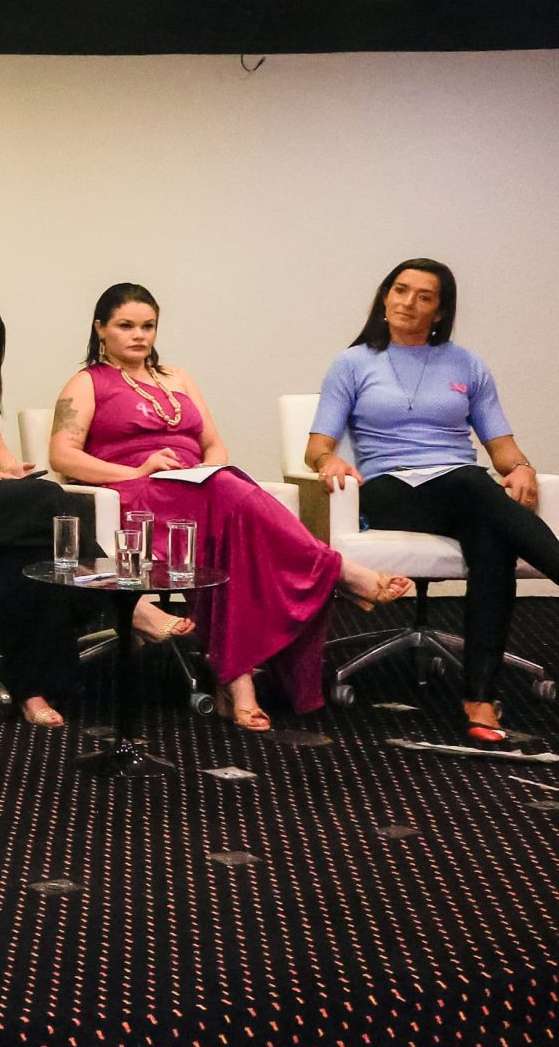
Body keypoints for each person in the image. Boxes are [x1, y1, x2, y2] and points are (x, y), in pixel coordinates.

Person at [47, 283, 413, 730]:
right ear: (101, 329)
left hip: (195, 491)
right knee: (226, 499)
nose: (139, 336)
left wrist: (204, 472)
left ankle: (235, 685)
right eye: (126, 326)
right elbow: (62, 456)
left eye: (148, 326)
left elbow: (214, 445)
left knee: (230, 529)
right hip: (135, 499)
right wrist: (140, 470)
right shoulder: (87, 382)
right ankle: (335, 571)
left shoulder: (176, 377)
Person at [0, 292, 187, 728]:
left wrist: (10, 471)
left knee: (24, 553)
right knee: (46, 501)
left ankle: (32, 690)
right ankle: (124, 603)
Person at [304, 259, 558, 742]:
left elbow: (501, 448)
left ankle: (479, 699)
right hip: (389, 488)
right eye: (400, 290)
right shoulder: (353, 363)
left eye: (424, 296)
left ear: (440, 311)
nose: (408, 303)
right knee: (474, 488)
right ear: (384, 296)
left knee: (492, 539)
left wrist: (521, 467)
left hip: (460, 488)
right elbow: (318, 445)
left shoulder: (467, 364)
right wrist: (327, 463)